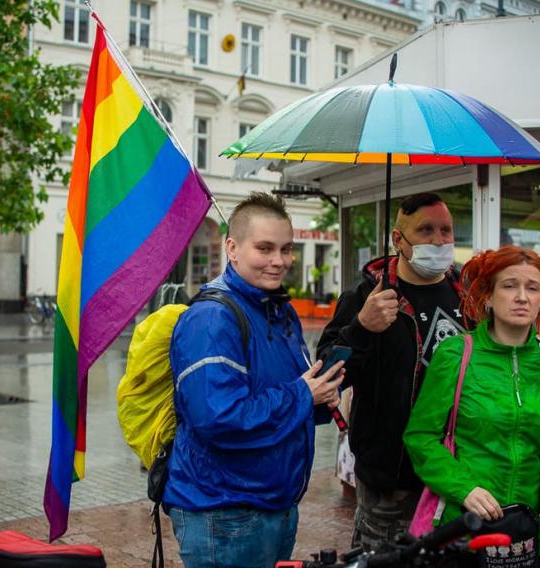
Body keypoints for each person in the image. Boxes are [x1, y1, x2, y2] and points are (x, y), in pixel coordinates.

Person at [163, 192, 345, 568]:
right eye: (265, 248)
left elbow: (290, 395)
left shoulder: (279, 311)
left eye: (286, 249)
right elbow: (219, 419)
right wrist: (301, 395)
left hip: (273, 505)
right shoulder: (212, 319)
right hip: (225, 512)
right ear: (232, 248)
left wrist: (320, 397)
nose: (279, 261)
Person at [404, 246, 540, 566]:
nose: (522, 297)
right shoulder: (456, 354)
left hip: (535, 530)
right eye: (510, 285)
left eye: (532, 288)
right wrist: (465, 488)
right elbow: (420, 437)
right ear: (487, 296)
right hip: (466, 527)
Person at [316, 192, 465, 549]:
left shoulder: (467, 292)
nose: (439, 240)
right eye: (426, 230)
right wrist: (363, 327)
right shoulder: (369, 294)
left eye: (446, 230)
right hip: (392, 481)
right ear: (398, 239)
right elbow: (327, 373)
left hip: (459, 472)